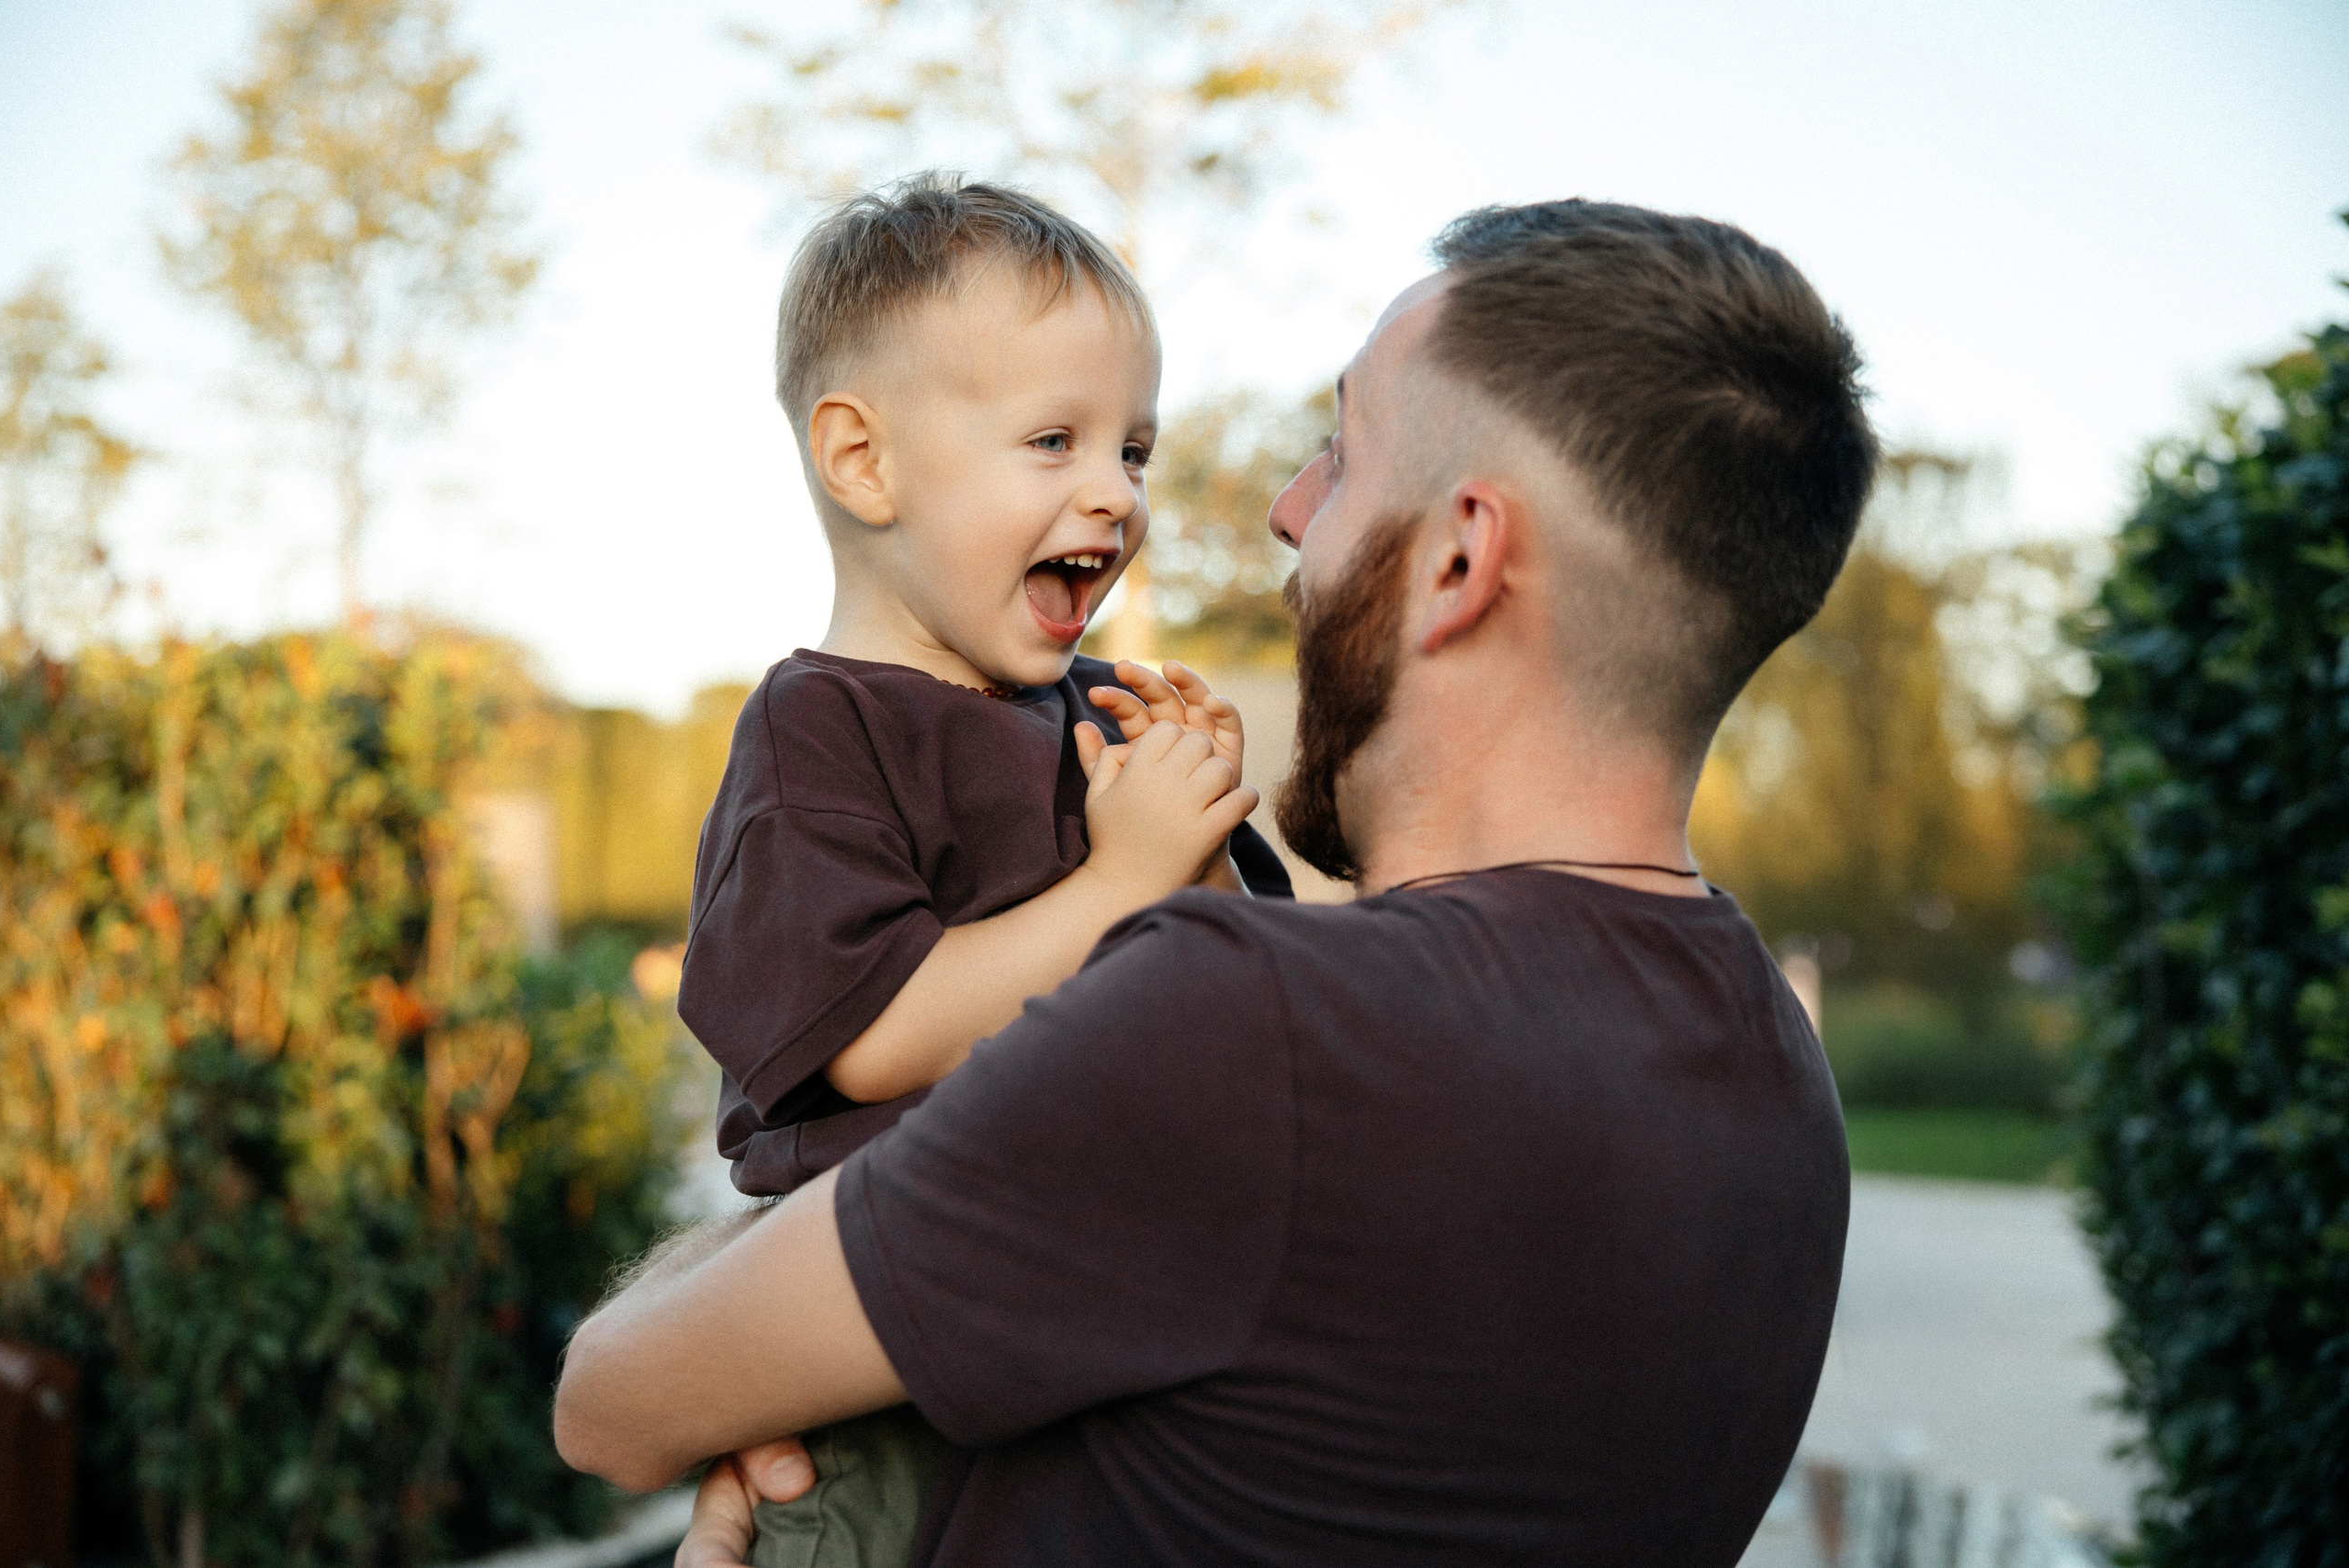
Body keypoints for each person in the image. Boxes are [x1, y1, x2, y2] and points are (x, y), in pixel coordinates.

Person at [557, 197, 1879, 1567]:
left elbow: (613, 1401)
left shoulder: (1247, 1034)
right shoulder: (1780, 1090)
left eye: (1340, 457)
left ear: (1462, 559)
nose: (1283, 510)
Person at [674, 173, 1291, 1568]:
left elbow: (1227, 985)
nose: (1114, 495)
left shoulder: (1093, 712)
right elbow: (870, 1036)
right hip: (888, 1375)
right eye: (1054, 439)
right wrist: (1111, 885)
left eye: (1134, 451)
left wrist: (1186, 830)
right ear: (864, 462)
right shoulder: (822, 729)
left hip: (1088, 1350)